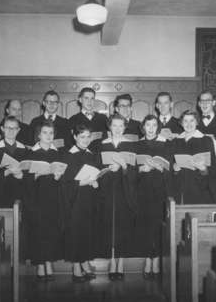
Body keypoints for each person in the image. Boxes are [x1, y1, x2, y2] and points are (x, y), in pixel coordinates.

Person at [24, 120, 66, 281]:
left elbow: (64, 176)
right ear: (38, 135)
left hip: (54, 199)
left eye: (51, 133)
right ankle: (40, 264)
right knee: (39, 232)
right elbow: (25, 180)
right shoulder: (31, 153)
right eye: (45, 133)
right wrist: (36, 174)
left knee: (51, 231)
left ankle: (49, 262)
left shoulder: (58, 154)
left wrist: (58, 176)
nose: (48, 136)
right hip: (37, 199)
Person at [98, 114, 137, 280]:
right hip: (107, 190)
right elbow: (96, 169)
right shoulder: (101, 145)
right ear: (109, 127)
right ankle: (111, 261)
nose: (118, 129)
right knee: (108, 225)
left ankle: (120, 263)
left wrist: (124, 168)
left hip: (124, 190)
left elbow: (135, 171)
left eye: (121, 126)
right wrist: (108, 169)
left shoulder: (130, 145)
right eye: (114, 125)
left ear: (125, 127)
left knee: (122, 225)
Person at [62, 124, 99, 282]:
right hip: (74, 200)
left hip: (88, 200)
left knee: (86, 232)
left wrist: (96, 182)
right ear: (75, 137)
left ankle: (84, 261)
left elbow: (95, 174)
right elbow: (64, 183)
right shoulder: (68, 155)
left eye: (88, 136)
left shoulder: (92, 154)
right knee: (76, 233)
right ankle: (77, 267)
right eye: (82, 136)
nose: (85, 140)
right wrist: (80, 183)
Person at [135, 115, 170, 279]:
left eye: (154, 125)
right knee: (145, 226)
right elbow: (131, 170)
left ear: (158, 127)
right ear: (143, 127)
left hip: (159, 191)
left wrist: (160, 168)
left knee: (157, 226)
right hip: (142, 192)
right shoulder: (137, 144)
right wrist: (141, 170)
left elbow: (170, 169)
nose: (151, 128)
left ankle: (155, 261)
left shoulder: (165, 144)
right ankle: (147, 260)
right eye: (147, 125)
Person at [170, 110, 215, 204]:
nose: (189, 124)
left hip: (199, 188)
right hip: (179, 189)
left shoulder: (206, 140)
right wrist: (175, 169)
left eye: (192, 120)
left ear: (197, 122)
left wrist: (203, 169)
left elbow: (213, 168)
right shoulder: (175, 141)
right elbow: (171, 166)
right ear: (181, 123)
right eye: (185, 121)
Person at [0, 116, 28, 207]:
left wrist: (21, 175)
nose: (11, 131)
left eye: (14, 128)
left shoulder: (24, 150)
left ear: (18, 130)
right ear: (2, 129)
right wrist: (7, 172)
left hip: (20, 193)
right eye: (8, 128)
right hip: (1, 194)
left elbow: (29, 174)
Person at [68, 87, 108, 152]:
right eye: (86, 98)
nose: (89, 101)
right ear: (80, 100)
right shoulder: (73, 120)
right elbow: (70, 143)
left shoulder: (103, 118)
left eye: (92, 98)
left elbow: (107, 139)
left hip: (101, 157)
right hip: (82, 157)